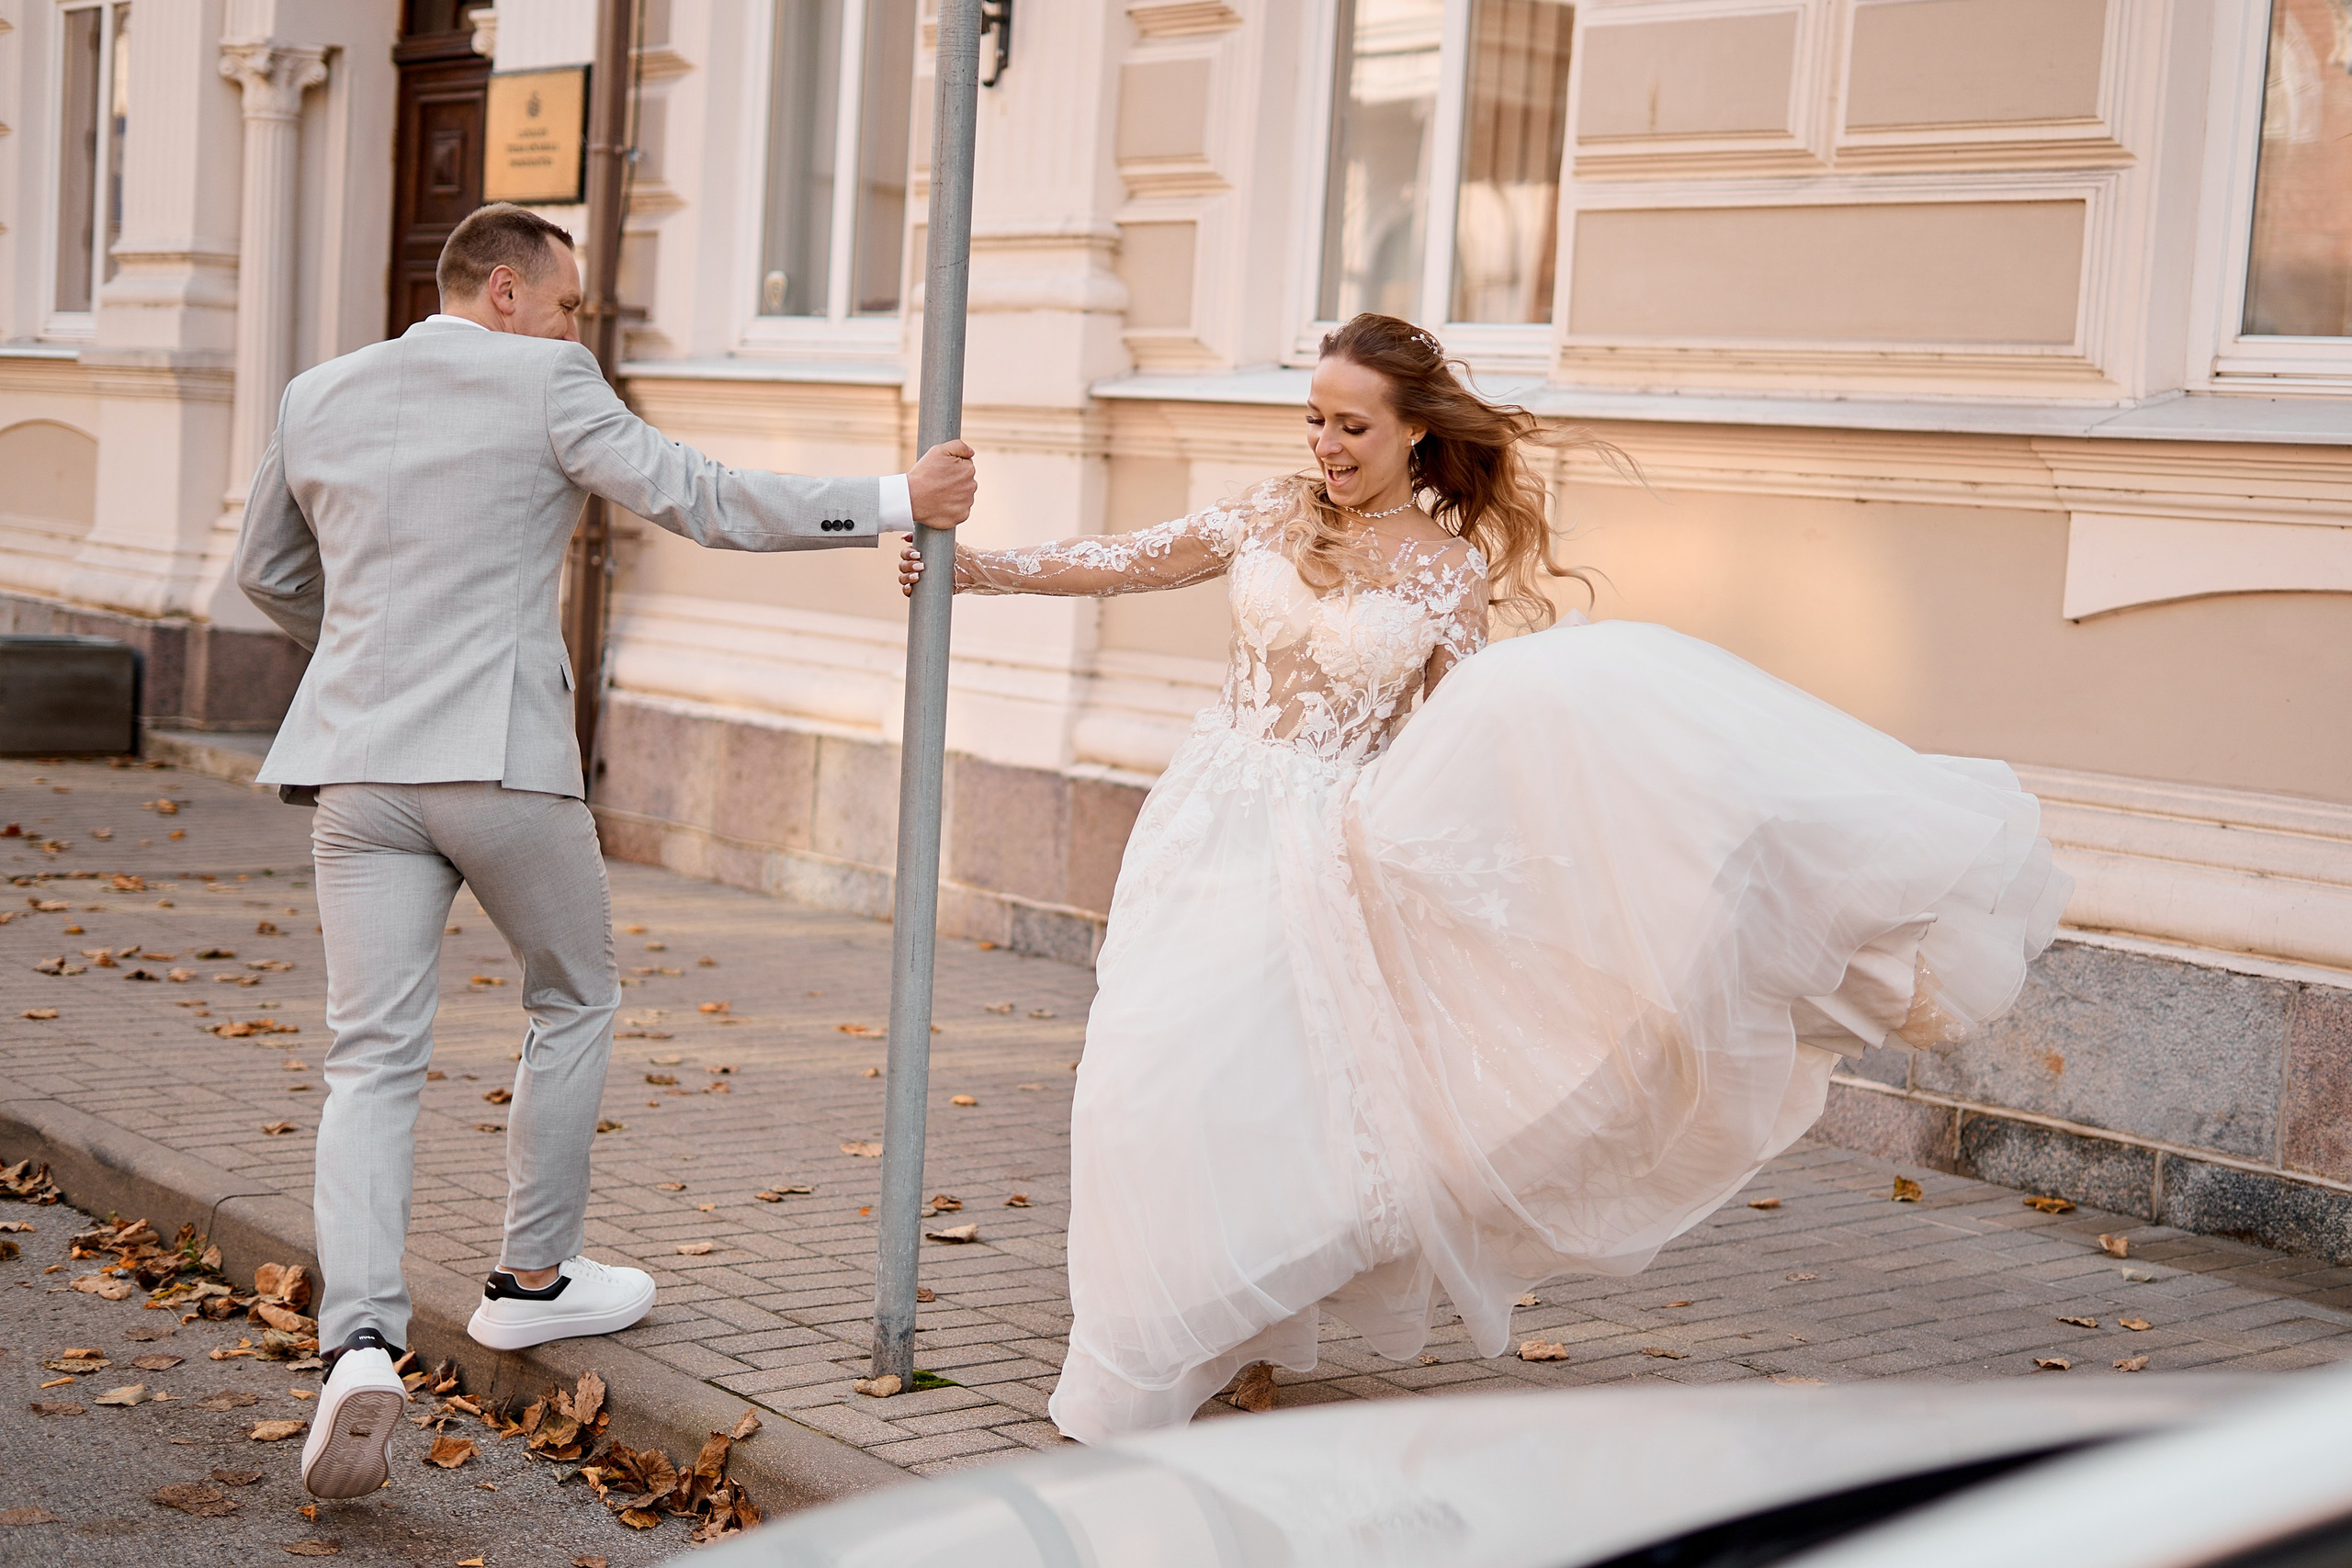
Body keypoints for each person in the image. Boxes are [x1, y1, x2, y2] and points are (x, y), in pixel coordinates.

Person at [900, 312, 2070, 1443]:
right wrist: (975, 569)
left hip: (1326, 850)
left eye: (1353, 427)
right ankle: (1168, 1323)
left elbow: (1462, 732)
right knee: (1140, 1080)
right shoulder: (1268, 514)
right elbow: (1123, 560)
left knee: (1259, 1092)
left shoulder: (1443, 573)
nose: (1327, 447)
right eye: (1315, 420)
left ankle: (1198, 1325)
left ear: (1413, 432)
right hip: (1204, 824)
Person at [235, 202, 978, 1500]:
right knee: (573, 993)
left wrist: (366, 649)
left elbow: (267, 573)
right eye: (571, 302)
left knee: (370, 1054)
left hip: (357, 758)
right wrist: (888, 500)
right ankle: (530, 1278)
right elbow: (697, 494)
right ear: (510, 292)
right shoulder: (544, 376)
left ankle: (359, 1338)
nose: (580, 324)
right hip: (501, 757)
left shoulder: (317, 391)